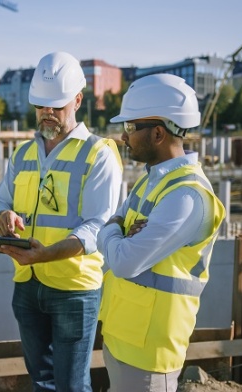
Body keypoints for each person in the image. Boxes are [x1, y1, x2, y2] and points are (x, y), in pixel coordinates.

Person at [0, 51, 123, 391]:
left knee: (72, 385)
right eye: (41, 106)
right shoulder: (22, 153)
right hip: (27, 283)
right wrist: (0, 218)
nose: (46, 113)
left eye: (56, 106)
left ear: (78, 100)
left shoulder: (98, 153)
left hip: (74, 290)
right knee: (42, 382)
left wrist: (47, 254)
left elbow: (98, 228)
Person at [97, 73, 226, 392]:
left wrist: (116, 232)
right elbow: (110, 226)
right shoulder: (151, 181)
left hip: (150, 353)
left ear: (157, 133)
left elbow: (124, 261)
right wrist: (117, 231)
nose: (123, 137)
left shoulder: (186, 197)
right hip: (121, 336)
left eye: (129, 127)